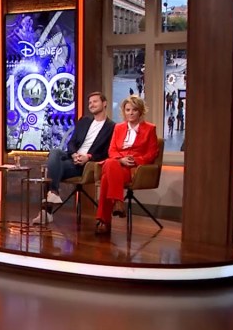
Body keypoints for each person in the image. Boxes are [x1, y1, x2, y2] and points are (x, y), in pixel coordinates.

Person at [33, 92, 115, 224]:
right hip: (72, 157)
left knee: (50, 171)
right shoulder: (84, 121)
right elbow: (71, 142)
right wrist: (74, 154)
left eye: (95, 101)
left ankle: (47, 211)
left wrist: (88, 157)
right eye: (90, 103)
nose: (91, 105)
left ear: (104, 103)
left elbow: (107, 152)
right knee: (54, 152)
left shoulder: (112, 127)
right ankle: (53, 192)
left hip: (86, 164)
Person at [94, 96, 159, 235]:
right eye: (128, 110)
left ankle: (104, 221)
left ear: (140, 111)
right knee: (111, 162)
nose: (131, 113)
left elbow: (152, 153)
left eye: (134, 110)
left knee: (106, 178)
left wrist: (135, 160)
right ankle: (118, 202)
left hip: (133, 169)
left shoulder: (150, 129)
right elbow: (112, 150)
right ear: (124, 112)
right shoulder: (118, 128)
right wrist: (120, 159)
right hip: (117, 164)